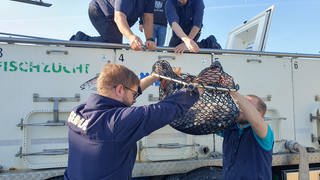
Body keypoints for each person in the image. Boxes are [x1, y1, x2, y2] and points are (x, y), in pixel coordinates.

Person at [64, 63, 201, 180]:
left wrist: (155, 76)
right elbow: (167, 108)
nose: (134, 99)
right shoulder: (116, 123)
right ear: (119, 89)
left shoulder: (78, 111)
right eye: (134, 95)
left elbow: (129, 92)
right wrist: (199, 86)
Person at [220, 92, 274, 180]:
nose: (239, 107)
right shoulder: (231, 129)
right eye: (238, 104)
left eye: (246, 105)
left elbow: (257, 122)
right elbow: (206, 122)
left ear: (259, 113)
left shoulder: (264, 132)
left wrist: (232, 92)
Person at [70, 0, 156, 51]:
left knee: (115, 43)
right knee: (115, 42)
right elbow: (119, 17)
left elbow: (148, 16)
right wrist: (131, 37)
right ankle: (80, 39)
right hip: (100, 12)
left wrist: (149, 39)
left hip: (118, 18)